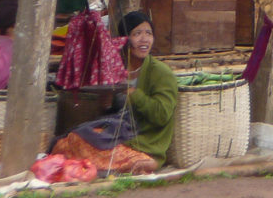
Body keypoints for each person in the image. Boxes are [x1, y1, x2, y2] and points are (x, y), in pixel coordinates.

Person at [51, 11, 178, 173]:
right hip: (119, 133)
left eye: (149, 33)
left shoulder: (161, 72)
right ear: (125, 39)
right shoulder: (119, 67)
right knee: (70, 141)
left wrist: (132, 93)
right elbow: (115, 112)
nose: (144, 39)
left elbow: (162, 115)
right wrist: (107, 104)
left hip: (144, 142)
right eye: (137, 33)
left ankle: (146, 162)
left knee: (90, 150)